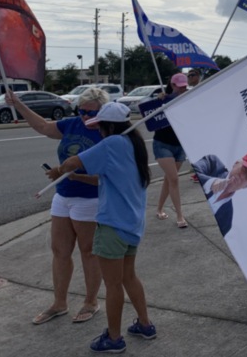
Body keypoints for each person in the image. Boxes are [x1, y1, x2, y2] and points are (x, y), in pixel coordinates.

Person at [46, 102, 156, 353]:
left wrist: (60, 171)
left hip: (112, 225)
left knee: (113, 285)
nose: (99, 132)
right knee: (129, 277)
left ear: (108, 126)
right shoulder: (133, 145)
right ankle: (145, 325)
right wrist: (75, 178)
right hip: (132, 225)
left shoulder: (112, 144)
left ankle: (114, 338)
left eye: (100, 127)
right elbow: (102, 178)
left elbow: (73, 160)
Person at [5, 86, 107, 325]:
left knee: (88, 252)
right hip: (63, 196)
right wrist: (18, 104)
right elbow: (43, 127)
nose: (86, 117)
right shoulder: (72, 124)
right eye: (82, 111)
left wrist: (70, 174)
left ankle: (91, 302)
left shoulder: (107, 132)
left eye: (92, 113)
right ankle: (59, 303)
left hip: (89, 198)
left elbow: (107, 176)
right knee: (60, 251)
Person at [192, 151, 247, 236]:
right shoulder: (212, 163)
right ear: (236, 163)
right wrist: (211, 182)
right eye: (244, 169)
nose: (242, 176)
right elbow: (193, 171)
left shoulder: (227, 219)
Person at [154, 73, 189, 228]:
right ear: (172, 84)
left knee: (169, 179)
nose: (181, 89)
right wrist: (158, 100)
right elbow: (148, 113)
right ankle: (180, 216)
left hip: (179, 145)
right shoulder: (163, 99)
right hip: (162, 143)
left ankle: (159, 208)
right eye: (178, 86)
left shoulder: (188, 98)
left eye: (184, 86)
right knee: (174, 179)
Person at [187, 69, 202, 183]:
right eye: (188, 76)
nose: (189, 78)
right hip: (194, 125)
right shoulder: (191, 90)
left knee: (201, 151)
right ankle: (198, 172)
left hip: (201, 125)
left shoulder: (201, 87)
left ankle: (200, 173)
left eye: (192, 75)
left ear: (197, 76)